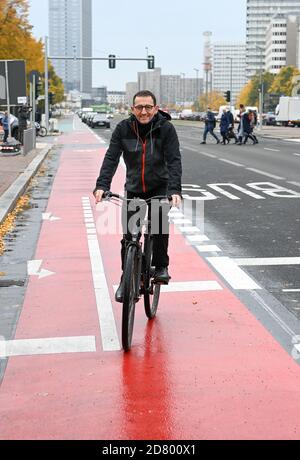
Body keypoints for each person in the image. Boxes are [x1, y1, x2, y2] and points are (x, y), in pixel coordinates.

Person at [93, 90, 182, 303]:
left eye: (148, 107)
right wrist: (102, 185)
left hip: (159, 187)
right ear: (132, 109)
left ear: (156, 108)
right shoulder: (123, 129)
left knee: (159, 225)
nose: (144, 112)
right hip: (134, 188)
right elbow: (111, 158)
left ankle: (160, 266)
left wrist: (174, 190)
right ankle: (128, 278)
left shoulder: (166, 129)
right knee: (129, 238)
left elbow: (174, 160)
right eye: (139, 107)